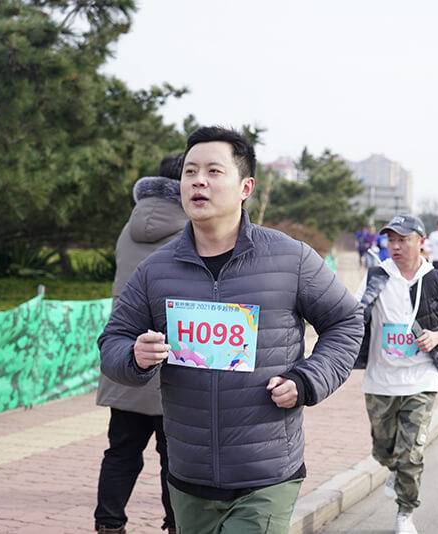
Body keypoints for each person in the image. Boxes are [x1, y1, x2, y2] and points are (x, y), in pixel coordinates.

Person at [98, 126, 363, 533]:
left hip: (266, 473)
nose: (198, 181)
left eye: (213, 171)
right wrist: (133, 356)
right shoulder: (157, 269)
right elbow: (112, 342)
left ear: (246, 187)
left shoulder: (289, 259)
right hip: (188, 476)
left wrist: (308, 380)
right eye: (189, 172)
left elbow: (346, 322)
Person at [354, 214, 438, 534]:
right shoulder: (377, 276)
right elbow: (352, 315)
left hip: (421, 378)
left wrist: (437, 337)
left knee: (412, 452)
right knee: (383, 450)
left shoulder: (437, 280)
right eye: (391, 240)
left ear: (421, 241)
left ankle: (405, 513)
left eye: (403, 240)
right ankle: (395, 469)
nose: (396, 246)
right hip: (380, 379)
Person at [94, 153, 188, 534]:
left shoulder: (127, 227)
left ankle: (108, 524)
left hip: (126, 357)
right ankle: (176, 524)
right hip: (171, 360)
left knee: (121, 452)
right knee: (176, 460)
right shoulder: (191, 231)